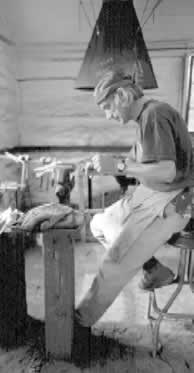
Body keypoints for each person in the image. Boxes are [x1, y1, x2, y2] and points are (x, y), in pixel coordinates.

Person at [75, 68, 194, 328]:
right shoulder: (144, 118)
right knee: (100, 224)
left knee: (116, 259)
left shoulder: (155, 115)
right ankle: (153, 269)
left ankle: (77, 324)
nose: (109, 115)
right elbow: (137, 161)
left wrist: (118, 168)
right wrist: (109, 164)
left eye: (108, 107)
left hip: (173, 200)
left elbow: (167, 170)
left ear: (121, 96)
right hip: (149, 193)